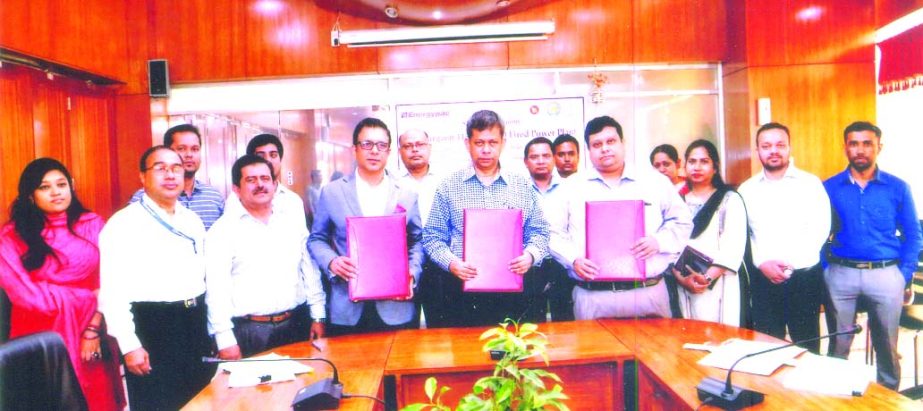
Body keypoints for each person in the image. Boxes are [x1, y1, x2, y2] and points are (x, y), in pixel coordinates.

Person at [0, 158, 125, 411]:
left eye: (61, 184)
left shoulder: (93, 225)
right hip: (39, 337)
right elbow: (28, 297)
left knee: (96, 400)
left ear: (72, 186)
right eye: (45, 187)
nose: (56, 192)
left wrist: (92, 329)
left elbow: (112, 281)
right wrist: (90, 297)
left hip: (92, 334)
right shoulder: (11, 236)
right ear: (30, 196)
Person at [98, 146, 215, 410]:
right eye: (160, 168)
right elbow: (113, 294)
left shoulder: (192, 220)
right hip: (152, 326)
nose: (170, 175)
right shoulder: (122, 224)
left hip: (193, 324)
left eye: (176, 168)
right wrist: (130, 346)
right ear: (142, 176)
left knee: (200, 401)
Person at [546, 116, 692, 320]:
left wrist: (659, 241)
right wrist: (573, 260)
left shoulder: (654, 182)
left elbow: (682, 221)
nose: (605, 148)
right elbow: (552, 232)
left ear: (623, 144)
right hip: (592, 296)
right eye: (597, 144)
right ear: (588, 151)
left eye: (611, 141)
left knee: (654, 351)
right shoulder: (571, 187)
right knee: (595, 352)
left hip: (648, 292)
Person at [423, 110, 550, 327]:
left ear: (503, 143)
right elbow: (432, 237)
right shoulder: (449, 186)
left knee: (514, 356)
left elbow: (540, 232)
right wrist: (452, 263)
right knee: (466, 357)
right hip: (462, 292)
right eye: (479, 142)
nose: (486, 149)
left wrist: (530, 255)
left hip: (514, 291)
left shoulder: (521, 186)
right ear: (467, 143)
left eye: (493, 142)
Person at [824, 121, 921, 390]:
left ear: (879, 146)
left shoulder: (898, 187)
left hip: (886, 274)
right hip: (841, 274)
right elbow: (818, 234)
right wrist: (825, 269)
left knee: (887, 348)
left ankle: (888, 399)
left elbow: (913, 235)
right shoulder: (829, 188)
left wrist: (902, 275)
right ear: (845, 148)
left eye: (867, 143)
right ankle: (834, 399)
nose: (860, 150)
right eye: (854, 143)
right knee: (838, 345)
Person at [309, 118, 423, 335]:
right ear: (355, 150)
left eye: (381, 145)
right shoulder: (332, 192)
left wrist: (412, 273)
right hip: (347, 307)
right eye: (367, 144)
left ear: (389, 152)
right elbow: (316, 239)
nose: (374, 151)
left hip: (396, 307)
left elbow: (417, 240)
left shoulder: (406, 193)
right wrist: (332, 262)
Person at [206, 155, 326, 359]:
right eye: (251, 180)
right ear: (236, 189)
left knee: (302, 388)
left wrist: (318, 315)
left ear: (274, 183)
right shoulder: (222, 231)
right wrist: (224, 338)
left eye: (264, 178)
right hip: (250, 332)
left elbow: (310, 271)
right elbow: (216, 289)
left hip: (296, 324)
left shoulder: (291, 223)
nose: (260, 185)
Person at [738, 122, 831, 352]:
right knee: (767, 349)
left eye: (780, 144)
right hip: (764, 280)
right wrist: (762, 263)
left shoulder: (811, 184)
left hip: (804, 279)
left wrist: (788, 266)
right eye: (766, 145)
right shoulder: (746, 190)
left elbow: (820, 228)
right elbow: (744, 236)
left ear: (790, 148)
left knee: (807, 349)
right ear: (757, 150)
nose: (774, 151)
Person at [671, 140, 747, 326]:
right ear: (685, 165)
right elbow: (669, 245)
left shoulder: (729, 199)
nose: (697, 167)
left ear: (715, 167)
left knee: (721, 338)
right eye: (692, 161)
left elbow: (733, 247)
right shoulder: (675, 201)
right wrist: (683, 279)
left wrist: (705, 278)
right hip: (684, 282)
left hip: (720, 282)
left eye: (704, 161)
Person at [130, 124, 224, 230]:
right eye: (181, 148)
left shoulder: (214, 197)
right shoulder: (144, 197)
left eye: (195, 149)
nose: (189, 154)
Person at [396, 128, 445, 327]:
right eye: (408, 146)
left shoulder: (445, 181)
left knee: (442, 327)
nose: (414, 150)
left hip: (440, 263)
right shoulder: (394, 185)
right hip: (407, 263)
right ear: (400, 152)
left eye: (420, 145)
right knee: (407, 326)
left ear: (429, 148)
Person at [524, 137, 573, 321]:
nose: (541, 160)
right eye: (534, 157)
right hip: (532, 267)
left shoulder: (570, 189)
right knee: (531, 325)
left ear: (553, 159)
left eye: (546, 155)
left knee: (565, 326)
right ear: (526, 162)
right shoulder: (518, 189)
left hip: (563, 265)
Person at [226, 133, 308, 229]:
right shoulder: (235, 199)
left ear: (280, 159)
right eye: (261, 156)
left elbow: (301, 239)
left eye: (273, 155)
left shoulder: (293, 200)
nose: (268, 160)